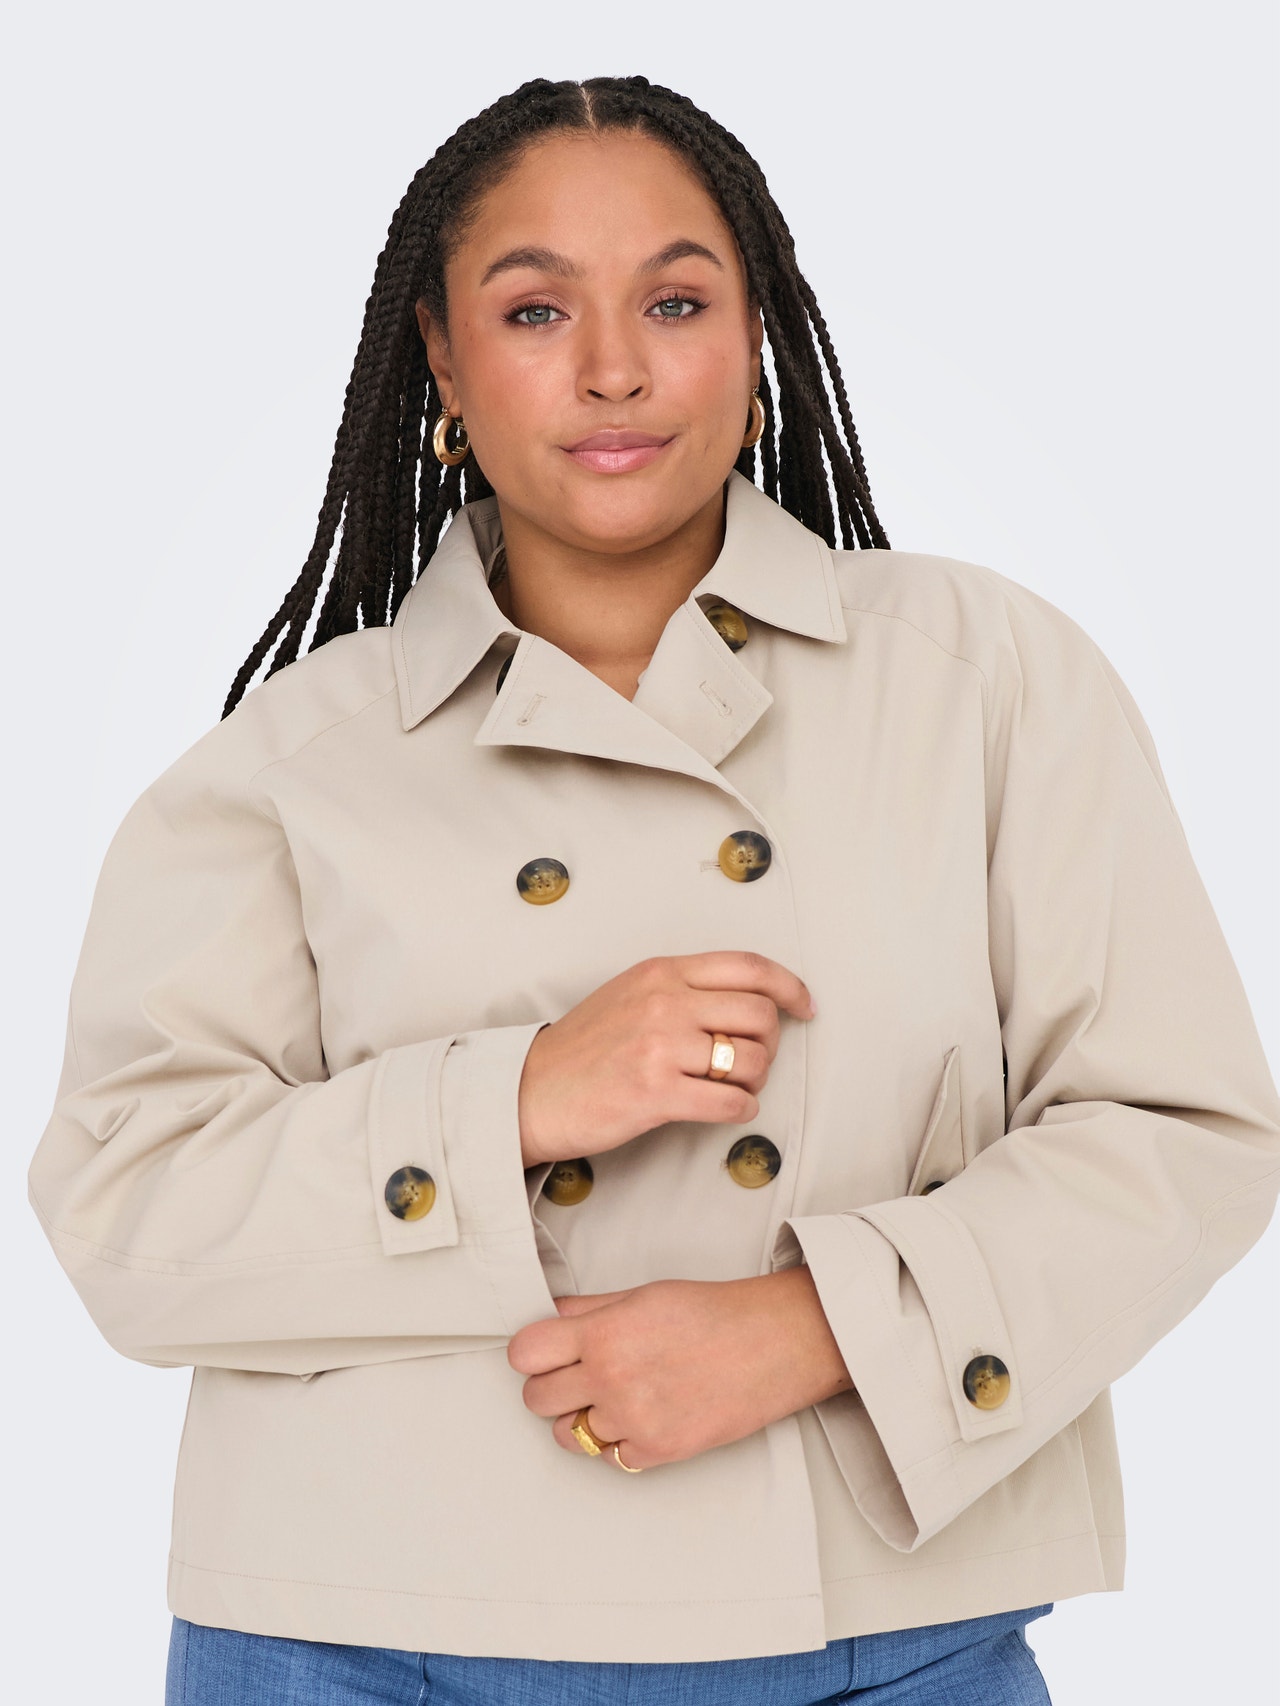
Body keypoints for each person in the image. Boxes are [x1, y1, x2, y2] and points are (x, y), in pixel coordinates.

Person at [27, 73, 1280, 1706]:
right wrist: (517, 1100)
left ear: (756, 340)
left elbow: (1181, 1130)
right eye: (535, 309)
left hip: (886, 1633)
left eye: (676, 302)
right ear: (442, 361)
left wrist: (813, 1329)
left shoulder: (986, 680)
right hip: (356, 1639)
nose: (612, 367)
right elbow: (125, 1213)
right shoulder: (288, 765)